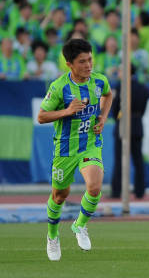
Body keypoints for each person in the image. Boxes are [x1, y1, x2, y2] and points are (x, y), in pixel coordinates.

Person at [37, 38, 112, 261]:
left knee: (95, 186)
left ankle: (79, 225)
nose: (88, 65)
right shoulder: (59, 87)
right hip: (65, 149)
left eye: (90, 59)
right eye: (82, 61)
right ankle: (52, 236)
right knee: (60, 196)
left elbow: (108, 95)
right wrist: (67, 111)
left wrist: (104, 117)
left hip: (90, 144)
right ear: (69, 64)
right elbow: (41, 116)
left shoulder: (99, 81)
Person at [110, 64, 149, 199]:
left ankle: (116, 191)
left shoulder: (120, 87)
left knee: (120, 160)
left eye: (120, 70)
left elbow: (114, 110)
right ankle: (140, 191)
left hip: (123, 125)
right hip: (137, 125)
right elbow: (143, 109)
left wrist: (120, 119)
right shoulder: (143, 88)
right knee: (138, 160)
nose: (118, 73)